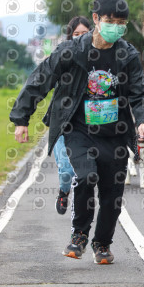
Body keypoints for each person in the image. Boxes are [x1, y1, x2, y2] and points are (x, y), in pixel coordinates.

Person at [10, 0, 144, 264]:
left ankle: (102, 243)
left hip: (114, 133)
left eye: (121, 22)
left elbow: (140, 94)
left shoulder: (127, 54)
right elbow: (40, 79)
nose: (116, 27)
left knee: (113, 195)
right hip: (78, 130)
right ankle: (79, 234)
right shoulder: (71, 51)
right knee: (87, 176)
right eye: (110, 20)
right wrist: (21, 118)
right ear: (96, 19)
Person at [53, 16, 91, 215]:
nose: (80, 38)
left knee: (85, 171)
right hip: (63, 121)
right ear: (70, 37)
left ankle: (80, 215)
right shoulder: (62, 56)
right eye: (76, 34)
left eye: (84, 34)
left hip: (87, 125)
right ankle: (63, 191)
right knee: (66, 169)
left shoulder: (98, 60)